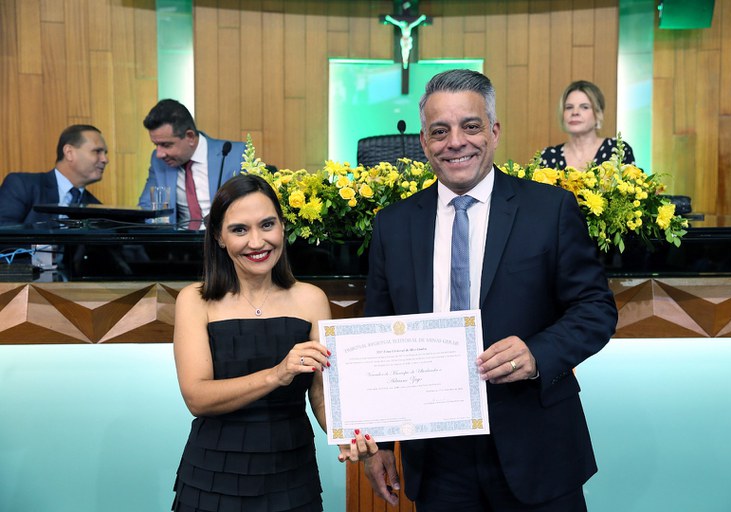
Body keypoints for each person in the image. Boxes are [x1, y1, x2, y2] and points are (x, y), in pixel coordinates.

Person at [362, 69, 618, 511]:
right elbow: (380, 332)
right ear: (424, 142)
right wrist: (381, 440)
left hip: (536, 445)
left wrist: (537, 353)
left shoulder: (549, 209)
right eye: (439, 131)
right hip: (438, 461)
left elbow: (595, 308)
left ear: (494, 132)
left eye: (470, 126)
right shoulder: (393, 225)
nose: (455, 142)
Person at [170, 174, 376, 512]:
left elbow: (321, 395)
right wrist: (276, 374)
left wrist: (347, 435)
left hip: (292, 474)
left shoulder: (311, 299)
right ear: (219, 237)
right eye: (239, 230)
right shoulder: (195, 299)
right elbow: (197, 397)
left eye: (267, 225)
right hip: (213, 475)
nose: (257, 242)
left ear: (282, 226)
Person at [137, 99, 246, 227]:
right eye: (156, 145)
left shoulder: (235, 155)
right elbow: (147, 207)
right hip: (179, 237)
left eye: (166, 145)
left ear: (190, 137)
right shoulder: (159, 161)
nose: (159, 154)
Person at [0, 124, 107, 225]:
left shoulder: (97, 208)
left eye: (105, 153)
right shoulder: (22, 186)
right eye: (97, 151)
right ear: (69, 153)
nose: (105, 160)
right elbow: (4, 230)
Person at [540, 80, 636, 170]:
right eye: (569, 107)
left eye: (584, 107)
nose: (575, 112)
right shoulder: (548, 156)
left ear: (598, 113)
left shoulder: (618, 150)